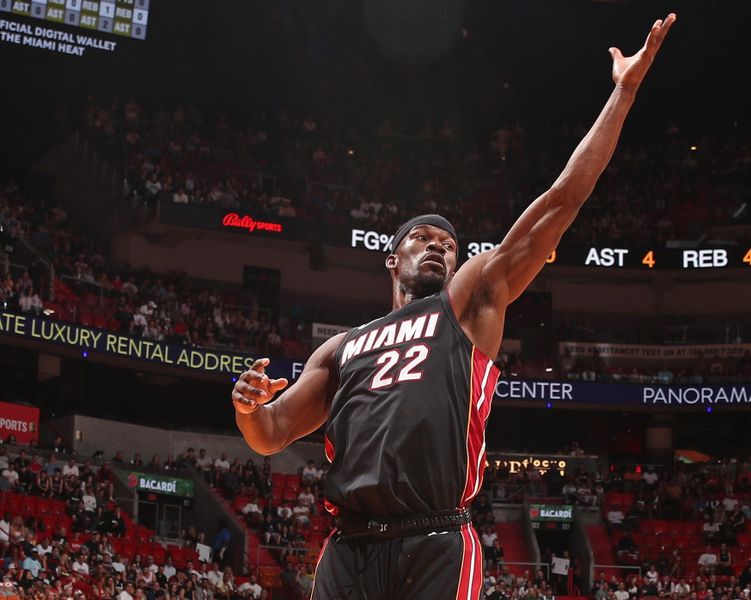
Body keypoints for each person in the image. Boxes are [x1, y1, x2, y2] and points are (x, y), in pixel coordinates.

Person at [232, 13, 676, 600]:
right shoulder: (340, 348)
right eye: (423, 238)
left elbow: (559, 202)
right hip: (349, 547)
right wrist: (246, 408)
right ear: (393, 259)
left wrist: (622, 93)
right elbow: (273, 432)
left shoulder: (465, 304)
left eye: (449, 243)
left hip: (434, 537)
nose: (439, 247)